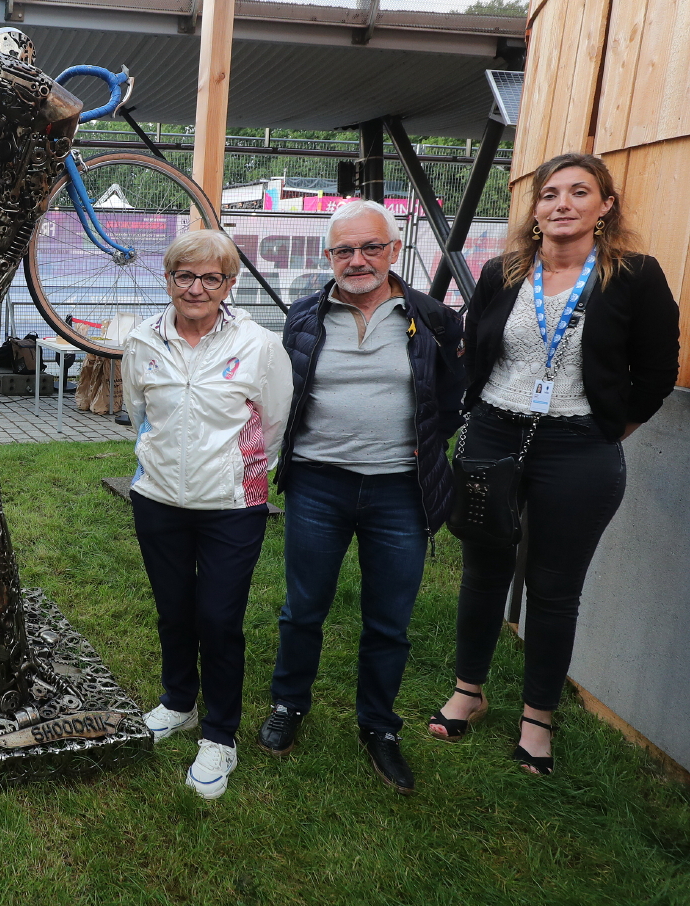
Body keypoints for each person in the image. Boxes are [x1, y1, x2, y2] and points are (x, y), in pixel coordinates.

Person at [427, 153, 679, 775]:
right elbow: (475, 350)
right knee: (484, 570)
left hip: (577, 447)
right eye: (549, 195)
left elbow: (656, 369)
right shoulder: (503, 272)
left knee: (554, 587)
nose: (562, 204)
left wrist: (603, 431)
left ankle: (537, 718)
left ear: (605, 206)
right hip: (492, 432)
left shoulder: (635, 276)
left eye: (578, 192)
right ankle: (469, 691)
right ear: (535, 210)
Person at [259, 199, 464, 795]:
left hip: (402, 490)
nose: (358, 260)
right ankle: (289, 705)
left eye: (370, 247)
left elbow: (449, 399)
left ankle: (379, 725)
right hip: (319, 485)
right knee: (303, 608)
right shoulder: (303, 316)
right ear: (328, 257)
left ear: (394, 251)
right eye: (344, 250)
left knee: (390, 620)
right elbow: (284, 393)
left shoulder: (430, 319)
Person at [122, 229, 292, 800]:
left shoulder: (259, 344)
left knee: (218, 620)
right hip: (159, 500)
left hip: (231, 508)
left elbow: (272, 424)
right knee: (173, 611)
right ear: (168, 280)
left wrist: (236, 474)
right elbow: (139, 410)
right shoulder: (142, 339)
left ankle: (220, 734)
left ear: (229, 284)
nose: (197, 287)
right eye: (184, 276)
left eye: (211, 277)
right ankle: (178, 703)